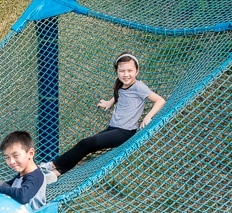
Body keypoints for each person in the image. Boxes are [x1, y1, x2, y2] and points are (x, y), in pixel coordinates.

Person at [40, 53, 166, 183]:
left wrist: (148, 117)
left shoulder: (139, 86)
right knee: (86, 148)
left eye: (130, 71)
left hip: (125, 132)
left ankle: (52, 165)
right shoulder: (120, 84)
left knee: (86, 143)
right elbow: (119, 94)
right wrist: (109, 102)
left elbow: (160, 100)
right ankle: (55, 173)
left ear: (137, 71)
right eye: (122, 71)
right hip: (113, 128)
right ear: (117, 71)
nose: (126, 74)